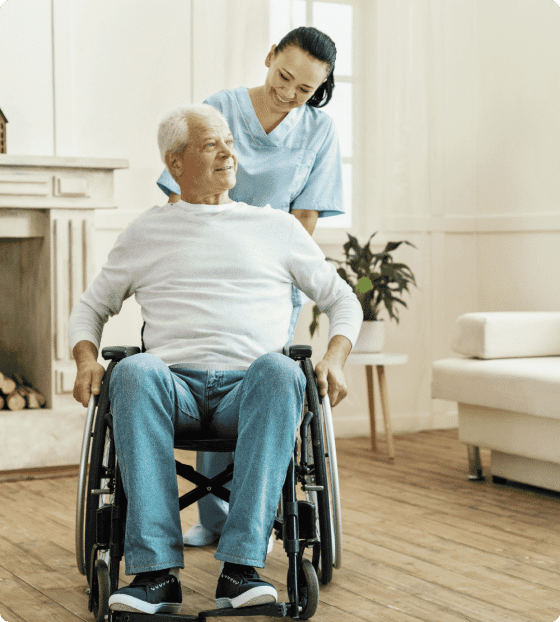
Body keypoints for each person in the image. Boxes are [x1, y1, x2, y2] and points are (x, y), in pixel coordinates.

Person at [70, 105, 362, 614]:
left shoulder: (275, 228)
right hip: (171, 389)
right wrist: (86, 359)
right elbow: (90, 307)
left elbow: (343, 301)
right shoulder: (145, 232)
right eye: (212, 145)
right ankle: (156, 576)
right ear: (175, 163)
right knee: (134, 369)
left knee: (280, 368)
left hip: (250, 385)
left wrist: (335, 358)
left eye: (230, 142)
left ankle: (242, 572)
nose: (229, 152)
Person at [157, 26, 344, 548]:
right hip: (204, 269)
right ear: (269, 58)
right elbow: (180, 192)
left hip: (268, 277)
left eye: (303, 89)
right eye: (284, 76)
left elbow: (304, 216)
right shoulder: (219, 109)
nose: (289, 92)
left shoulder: (319, 131)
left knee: (255, 383)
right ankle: (212, 516)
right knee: (206, 372)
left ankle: (249, 514)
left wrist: (274, 263)